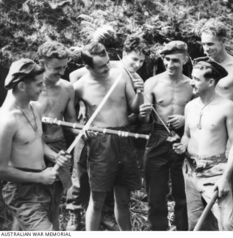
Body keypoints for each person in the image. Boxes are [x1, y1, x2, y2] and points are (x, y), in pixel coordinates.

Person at [73, 42, 143, 231]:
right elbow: (72, 120)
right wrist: (81, 128)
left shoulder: (120, 74)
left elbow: (134, 106)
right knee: (97, 200)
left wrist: (139, 91)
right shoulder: (79, 87)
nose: (107, 67)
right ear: (87, 67)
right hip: (100, 143)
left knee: (123, 199)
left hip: (124, 137)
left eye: (107, 62)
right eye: (101, 66)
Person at [0, 59, 70, 231]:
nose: (43, 88)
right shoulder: (6, 121)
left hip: (45, 182)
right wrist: (39, 177)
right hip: (23, 191)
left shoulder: (35, 108)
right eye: (39, 85)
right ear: (22, 86)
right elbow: (1, 170)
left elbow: (37, 141)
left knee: (52, 226)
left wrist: (54, 156)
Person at [172, 58, 233, 231]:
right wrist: (182, 145)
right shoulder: (190, 106)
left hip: (215, 173)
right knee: (196, 224)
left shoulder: (227, 107)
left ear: (211, 82)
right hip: (190, 172)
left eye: (196, 79)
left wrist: (225, 178)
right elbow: (187, 136)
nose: (191, 83)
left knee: (227, 225)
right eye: (192, 77)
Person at [200, 18, 233, 227]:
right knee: (209, 184)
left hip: (230, 136)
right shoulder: (202, 66)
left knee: (232, 185)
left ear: (222, 41)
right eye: (203, 44)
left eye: (210, 44)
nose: (206, 48)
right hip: (209, 136)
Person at [139, 41, 192, 230]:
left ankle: (183, 230)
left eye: (176, 60)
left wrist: (185, 119)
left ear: (185, 59)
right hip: (158, 137)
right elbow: (144, 122)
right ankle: (158, 230)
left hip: (183, 138)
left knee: (183, 193)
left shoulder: (192, 85)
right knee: (155, 194)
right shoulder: (152, 83)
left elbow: (201, 114)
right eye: (167, 59)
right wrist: (143, 114)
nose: (170, 64)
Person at [36, 41, 77, 230]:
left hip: (59, 146)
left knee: (55, 199)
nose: (62, 72)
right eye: (56, 68)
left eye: (64, 67)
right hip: (33, 149)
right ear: (42, 63)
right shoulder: (29, 88)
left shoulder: (68, 88)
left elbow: (71, 123)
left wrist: (85, 131)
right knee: (33, 204)